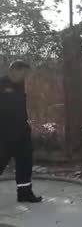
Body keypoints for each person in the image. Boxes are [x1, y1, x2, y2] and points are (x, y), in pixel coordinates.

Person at [0, 60, 42, 203]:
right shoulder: (1, 83)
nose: (25, 76)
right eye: (23, 72)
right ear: (13, 70)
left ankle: (24, 193)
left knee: (25, 163)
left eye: (26, 73)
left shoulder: (20, 85)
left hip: (22, 132)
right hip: (4, 134)